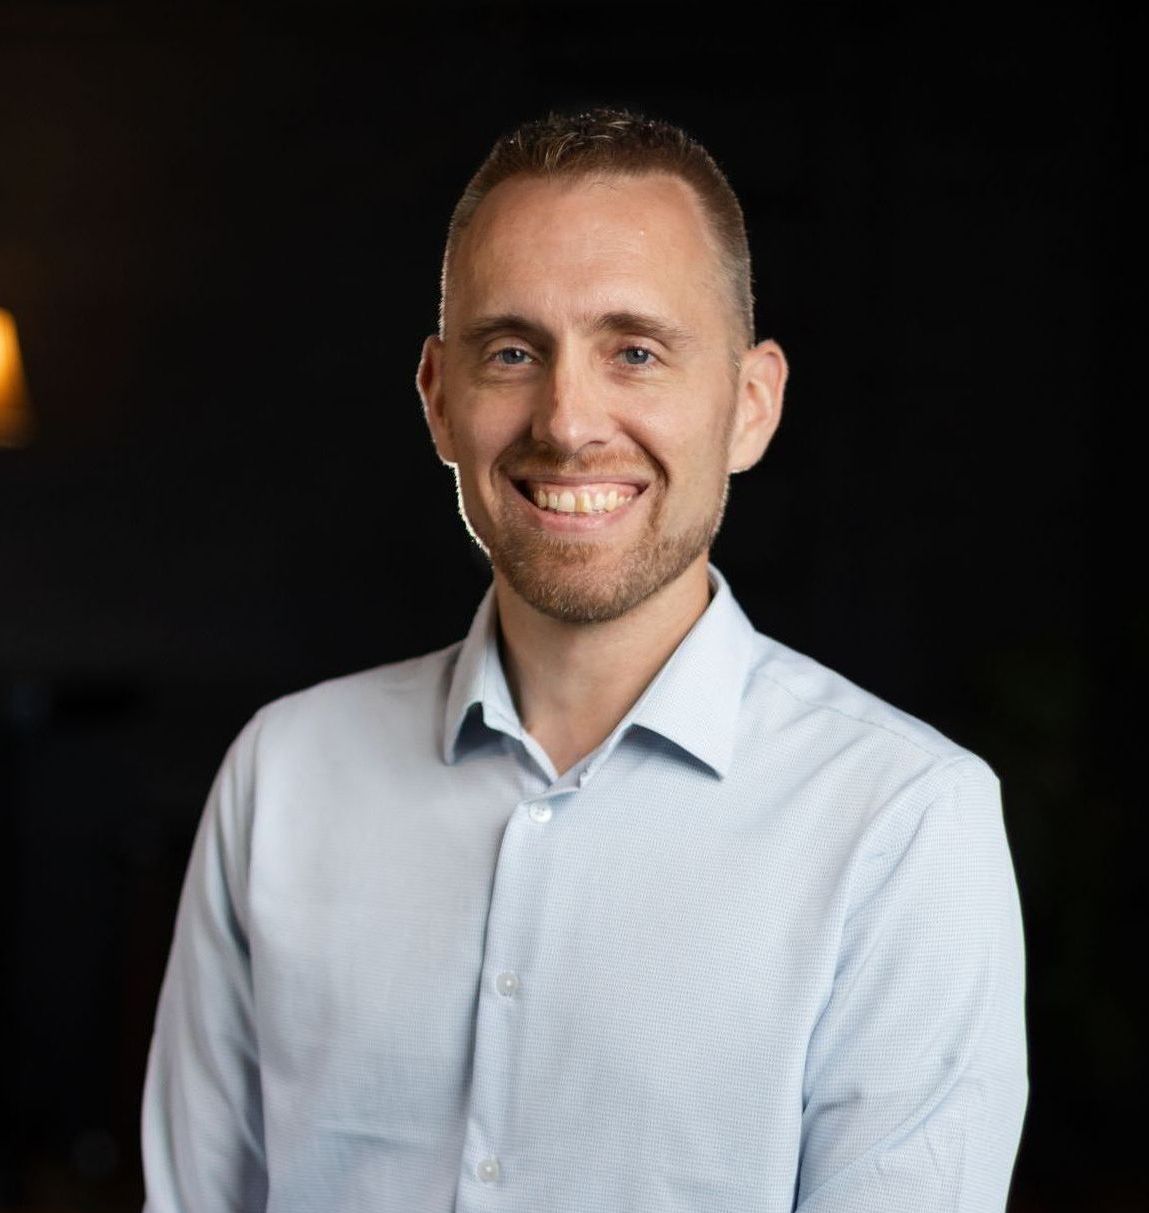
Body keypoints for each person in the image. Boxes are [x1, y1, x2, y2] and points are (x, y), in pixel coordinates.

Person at [141, 109, 1028, 1212]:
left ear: (750, 407)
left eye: (636, 352)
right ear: (437, 399)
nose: (567, 422)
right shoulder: (282, 776)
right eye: (512, 351)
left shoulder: (905, 824)